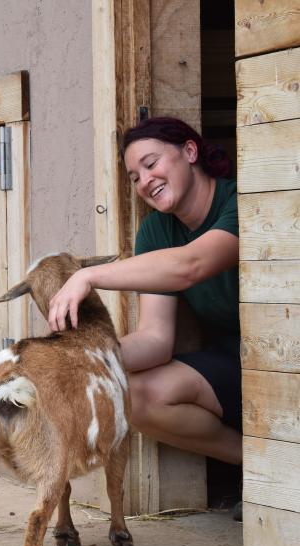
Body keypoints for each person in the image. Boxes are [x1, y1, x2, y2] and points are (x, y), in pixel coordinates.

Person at [47, 117, 242, 471]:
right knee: (132, 394)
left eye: (151, 164)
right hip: (236, 363)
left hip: (283, 362)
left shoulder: (241, 202)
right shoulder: (156, 231)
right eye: (135, 177)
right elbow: (155, 338)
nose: (145, 181)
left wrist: (88, 276)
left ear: (190, 151)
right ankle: (263, 470)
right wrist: (87, 359)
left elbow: (190, 265)